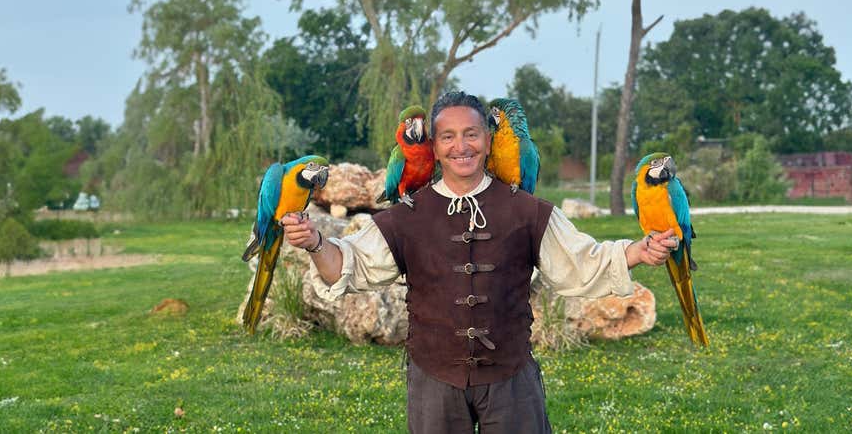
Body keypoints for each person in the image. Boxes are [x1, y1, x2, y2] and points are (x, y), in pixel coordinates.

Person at [280, 91, 675, 433]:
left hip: (511, 379)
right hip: (433, 381)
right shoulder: (407, 216)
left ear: (488, 140)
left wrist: (638, 251)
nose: (461, 146)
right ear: (435, 147)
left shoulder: (528, 211)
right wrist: (316, 243)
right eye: (448, 136)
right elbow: (347, 266)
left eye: (471, 134)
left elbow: (582, 261)